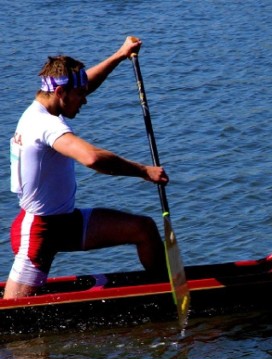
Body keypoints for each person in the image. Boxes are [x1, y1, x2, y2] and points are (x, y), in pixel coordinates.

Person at [5, 37, 169, 299]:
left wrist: (119, 55)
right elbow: (92, 158)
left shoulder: (43, 108)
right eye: (80, 95)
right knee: (13, 315)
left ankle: (166, 294)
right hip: (39, 231)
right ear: (60, 93)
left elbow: (84, 84)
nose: (85, 100)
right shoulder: (46, 126)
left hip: (65, 221)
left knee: (144, 229)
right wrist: (144, 171)